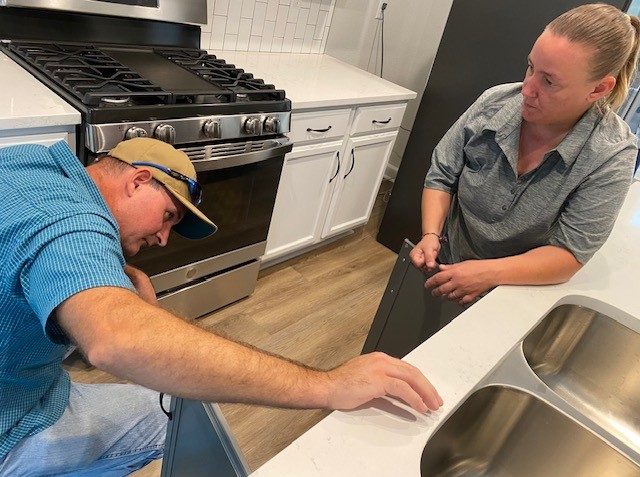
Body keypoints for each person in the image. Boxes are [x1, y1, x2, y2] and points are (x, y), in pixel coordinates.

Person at [0, 137, 442, 476]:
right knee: (169, 409)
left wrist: (122, 289)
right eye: (169, 216)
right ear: (137, 180)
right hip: (12, 427)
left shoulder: (36, 167)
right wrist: (327, 385)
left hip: (27, 385)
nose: (163, 238)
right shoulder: (71, 221)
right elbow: (119, 343)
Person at [410, 4, 640, 304]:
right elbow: (442, 175)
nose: (527, 90)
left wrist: (487, 274)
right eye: (531, 67)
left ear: (599, 89)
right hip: (446, 264)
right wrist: (430, 235)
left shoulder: (610, 154)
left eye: (549, 81)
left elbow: (570, 252)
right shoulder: (494, 103)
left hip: (514, 292)